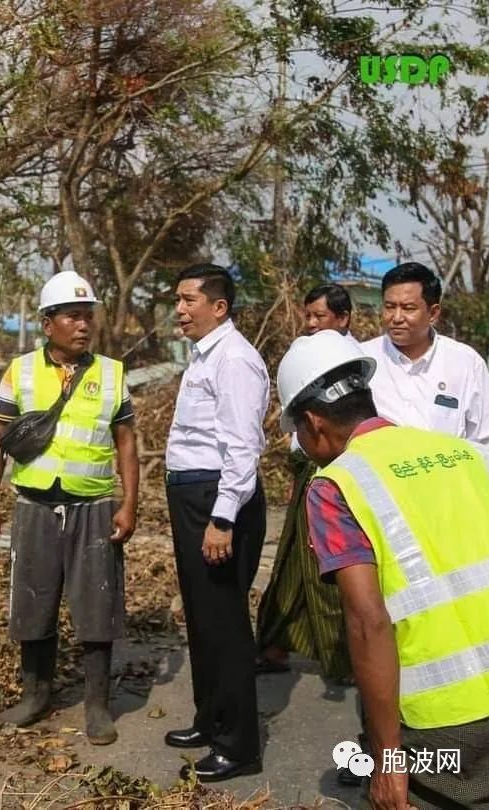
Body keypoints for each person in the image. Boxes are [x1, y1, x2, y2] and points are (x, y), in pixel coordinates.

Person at [277, 329, 489, 810]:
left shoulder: (335, 487)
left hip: (443, 728)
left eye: (297, 432)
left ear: (314, 423)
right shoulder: (468, 455)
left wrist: (389, 760)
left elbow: (366, 622)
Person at [0, 270, 138, 746]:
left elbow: (126, 443)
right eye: (72, 316)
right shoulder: (20, 371)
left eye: (87, 316)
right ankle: (36, 695)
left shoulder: (112, 373)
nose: (83, 325)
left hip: (93, 506)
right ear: (48, 324)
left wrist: (129, 504)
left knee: (97, 607)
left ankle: (96, 706)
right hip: (34, 505)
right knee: (34, 603)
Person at [163, 264, 268, 781]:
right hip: (193, 498)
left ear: (218, 306)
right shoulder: (206, 356)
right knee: (203, 619)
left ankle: (239, 743)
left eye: (188, 301)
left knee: (225, 623)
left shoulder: (235, 360)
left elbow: (242, 447)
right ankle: (211, 718)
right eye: (178, 300)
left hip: (216, 502)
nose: (179, 310)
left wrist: (223, 518)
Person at [256, 283, 355, 682]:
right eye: (308, 315)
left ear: (344, 318)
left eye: (321, 316)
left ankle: (344, 659)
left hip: (341, 472)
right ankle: (275, 645)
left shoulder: (353, 360)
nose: (312, 324)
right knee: (292, 562)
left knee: (332, 569)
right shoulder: (302, 354)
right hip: (307, 469)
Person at [362, 262, 489, 444]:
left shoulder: (466, 363)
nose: (396, 318)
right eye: (389, 307)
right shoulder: (361, 360)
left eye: (408, 308)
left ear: (433, 313)